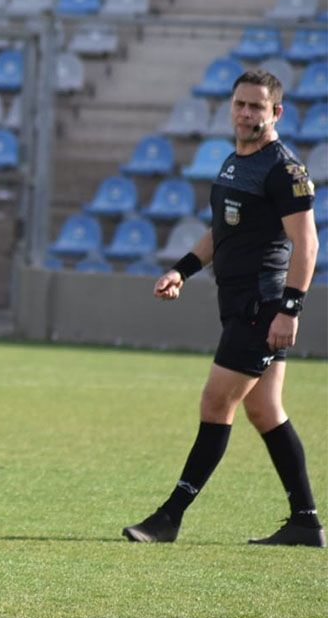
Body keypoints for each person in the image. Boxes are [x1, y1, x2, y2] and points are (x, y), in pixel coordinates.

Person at [123, 70, 323, 548]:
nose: (246, 114)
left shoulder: (284, 170)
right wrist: (182, 270)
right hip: (238, 304)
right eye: (240, 104)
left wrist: (289, 310)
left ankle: (168, 517)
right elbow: (222, 231)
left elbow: (307, 244)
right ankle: (306, 522)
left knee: (216, 403)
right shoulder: (234, 162)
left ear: (276, 113)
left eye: (256, 107)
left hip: (263, 307)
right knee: (266, 410)